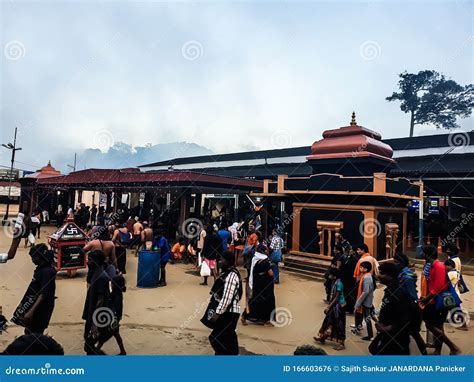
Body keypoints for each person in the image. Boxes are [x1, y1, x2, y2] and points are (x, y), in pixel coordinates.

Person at [420, 245, 461, 355]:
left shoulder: (438, 266)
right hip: (434, 300)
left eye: (423, 252)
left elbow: (437, 287)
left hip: (437, 301)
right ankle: (438, 350)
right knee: (438, 326)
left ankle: (453, 346)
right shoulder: (433, 266)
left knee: (429, 325)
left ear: (428, 254)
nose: (421, 254)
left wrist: (425, 299)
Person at [12, 244, 56, 335]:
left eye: (33, 257)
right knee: (29, 332)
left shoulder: (47, 272)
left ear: (39, 257)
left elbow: (43, 294)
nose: (32, 260)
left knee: (34, 334)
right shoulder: (41, 270)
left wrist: (30, 312)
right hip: (34, 305)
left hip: (41, 309)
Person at [370, 262, 412, 355]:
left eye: (382, 273)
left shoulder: (398, 293)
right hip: (388, 337)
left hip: (397, 339)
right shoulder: (389, 291)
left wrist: (387, 328)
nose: (379, 276)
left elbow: (405, 318)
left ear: (391, 276)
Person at [208, 250, 243, 355]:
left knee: (218, 337)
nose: (219, 261)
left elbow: (227, 298)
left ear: (227, 261)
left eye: (222, 259)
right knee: (227, 337)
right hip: (227, 311)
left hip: (229, 312)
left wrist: (218, 312)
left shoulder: (231, 276)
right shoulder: (227, 273)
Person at [393, 253, 427, 354]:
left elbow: (412, 295)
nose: (395, 265)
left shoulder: (406, 277)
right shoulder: (402, 274)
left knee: (414, 334)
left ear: (402, 263)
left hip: (408, 309)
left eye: (396, 262)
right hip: (403, 308)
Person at [82, 250, 110, 355]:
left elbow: (100, 301)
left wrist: (95, 323)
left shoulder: (101, 277)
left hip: (96, 317)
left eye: (89, 260)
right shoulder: (95, 273)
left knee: (88, 344)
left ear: (96, 261)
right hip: (92, 315)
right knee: (88, 343)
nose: (87, 262)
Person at [241, 244, 275, 326]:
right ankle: (266, 320)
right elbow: (271, 274)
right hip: (265, 284)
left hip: (256, 282)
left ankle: (245, 315)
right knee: (268, 301)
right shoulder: (265, 260)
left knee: (255, 300)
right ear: (263, 251)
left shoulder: (254, 258)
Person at [314, 267, 346, 350]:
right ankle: (323, 337)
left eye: (330, 274)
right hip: (334, 305)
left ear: (334, 276)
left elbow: (336, 298)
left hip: (339, 306)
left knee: (339, 324)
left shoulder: (339, 284)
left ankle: (342, 343)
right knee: (328, 321)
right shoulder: (334, 281)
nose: (329, 276)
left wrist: (328, 307)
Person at [95, 275, 127, 355]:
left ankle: (97, 348)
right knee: (115, 334)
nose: (111, 285)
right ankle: (122, 351)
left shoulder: (117, 295)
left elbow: (115, 308)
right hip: (115, 318)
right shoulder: (117, 293)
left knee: (107, 335)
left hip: (113, 318)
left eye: (112, 284)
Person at [352, 261, 374, 340]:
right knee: (359, 315)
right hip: (365, 300)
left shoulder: (367, 277)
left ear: (366, 269)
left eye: (362, 267)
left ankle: (370, 335)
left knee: (367, 318)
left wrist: (358, 302)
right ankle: (357, 329)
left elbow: (365, 292)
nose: (360, 269)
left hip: (365, 301)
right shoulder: (366, 275)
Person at [340, 245, 358, 314]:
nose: (350, 251)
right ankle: (346, 307)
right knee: (346, 293)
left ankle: (350, 309)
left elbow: (352, 269)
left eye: (351, 250)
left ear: (354, 251)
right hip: (346, 279)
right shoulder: (349, 257)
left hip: (350, 279)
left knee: (350, 294)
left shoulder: (355, 259)